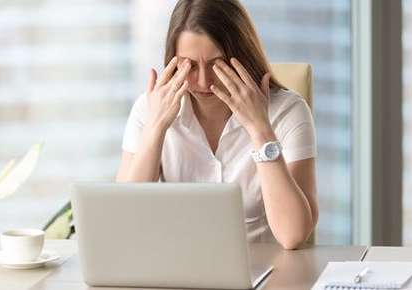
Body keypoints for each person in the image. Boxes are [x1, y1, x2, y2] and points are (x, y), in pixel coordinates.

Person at [116, 0, 318, 250]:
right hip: (176, 272)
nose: (203, 81)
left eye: (216, 64)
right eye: (188, 65)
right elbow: (123, 221)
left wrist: (259, 128)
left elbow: (293, 234)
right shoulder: (149, 110)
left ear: (243, 57)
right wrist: (156, 127)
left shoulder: (287, 111)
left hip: (263, 274)